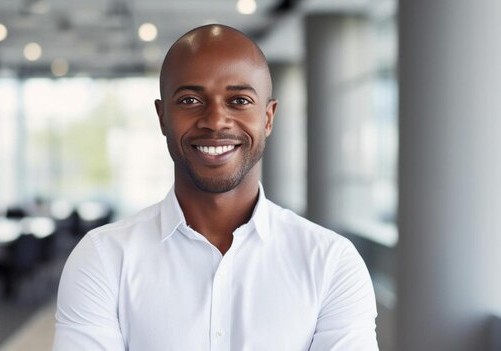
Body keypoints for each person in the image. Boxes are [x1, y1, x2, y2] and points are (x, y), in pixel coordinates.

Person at [52, 24, 378, 351]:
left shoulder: (331, 263)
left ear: (268, 118)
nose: (215, 120)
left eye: (238, 100)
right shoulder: (104, 259)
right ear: (162, 116)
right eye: (191, 100)